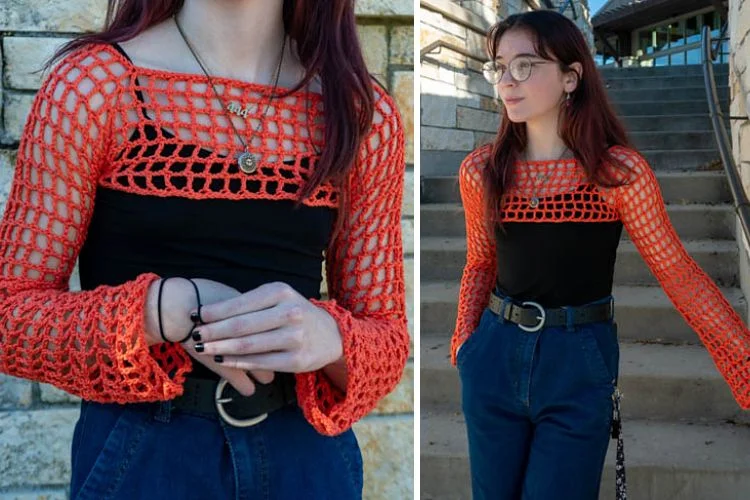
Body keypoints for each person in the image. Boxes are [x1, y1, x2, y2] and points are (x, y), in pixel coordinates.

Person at [0, 1, 409, 499]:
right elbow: (11, 315)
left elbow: (387, 338)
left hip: (305, 454)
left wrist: (331, 339)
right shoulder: (95, 88)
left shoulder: (360, 113)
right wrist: (167, 308)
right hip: (146, 452)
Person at [452, 9, 750, 500]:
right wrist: (466, 342)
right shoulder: (481, 171)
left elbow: (678, 273)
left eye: (525, 65)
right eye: (499, 67)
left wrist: (742, 360)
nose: (507, 81)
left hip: (578, 358)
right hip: (494, 357)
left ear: (572, 76)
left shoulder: (618, 174)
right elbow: (480, 262)